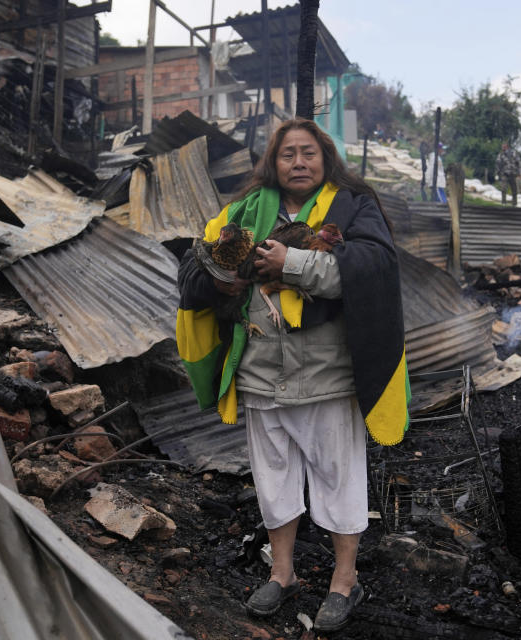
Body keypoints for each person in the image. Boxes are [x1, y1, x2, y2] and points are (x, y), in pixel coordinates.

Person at [176, 118, 409, 633]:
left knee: (337, 476)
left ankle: (344, 580)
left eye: (308, 153)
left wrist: (294, 262)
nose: (298, 162)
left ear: (325, 159)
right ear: (273, 163)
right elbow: (197, 267)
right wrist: (225, 283)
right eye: (287, 154)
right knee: (274, 479)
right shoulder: (241, 212)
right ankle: (282, 574)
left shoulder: (353, 205)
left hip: (327, 374)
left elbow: (372, 266)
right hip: (260, 372)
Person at [495, 142, 521, 206]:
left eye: (504, 147)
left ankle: (514, 204)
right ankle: (503, 202)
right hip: (504, 174)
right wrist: (498, 173)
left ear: (507, 147)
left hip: (513, 174)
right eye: (502, 147)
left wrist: (519, 173)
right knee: (503, 188)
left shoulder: (514, 153)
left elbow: (519, 162)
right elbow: (497, 164)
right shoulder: (500, 155)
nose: (502, 148)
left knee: (514, 190)